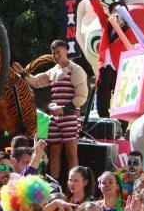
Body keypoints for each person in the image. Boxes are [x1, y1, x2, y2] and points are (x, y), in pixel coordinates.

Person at [13, 39, 89, 179]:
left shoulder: (75, 70)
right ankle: (54, 185)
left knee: (71, 151)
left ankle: (75, 185)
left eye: (59, 52)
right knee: (54, 151)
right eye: (54, 53)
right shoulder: (53, 71)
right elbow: (36, 82)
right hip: (54, 118)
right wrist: (23, 73)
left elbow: (82, 95)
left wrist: (65, 108)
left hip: (69, 117)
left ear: (66, 51)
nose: (56, 56)